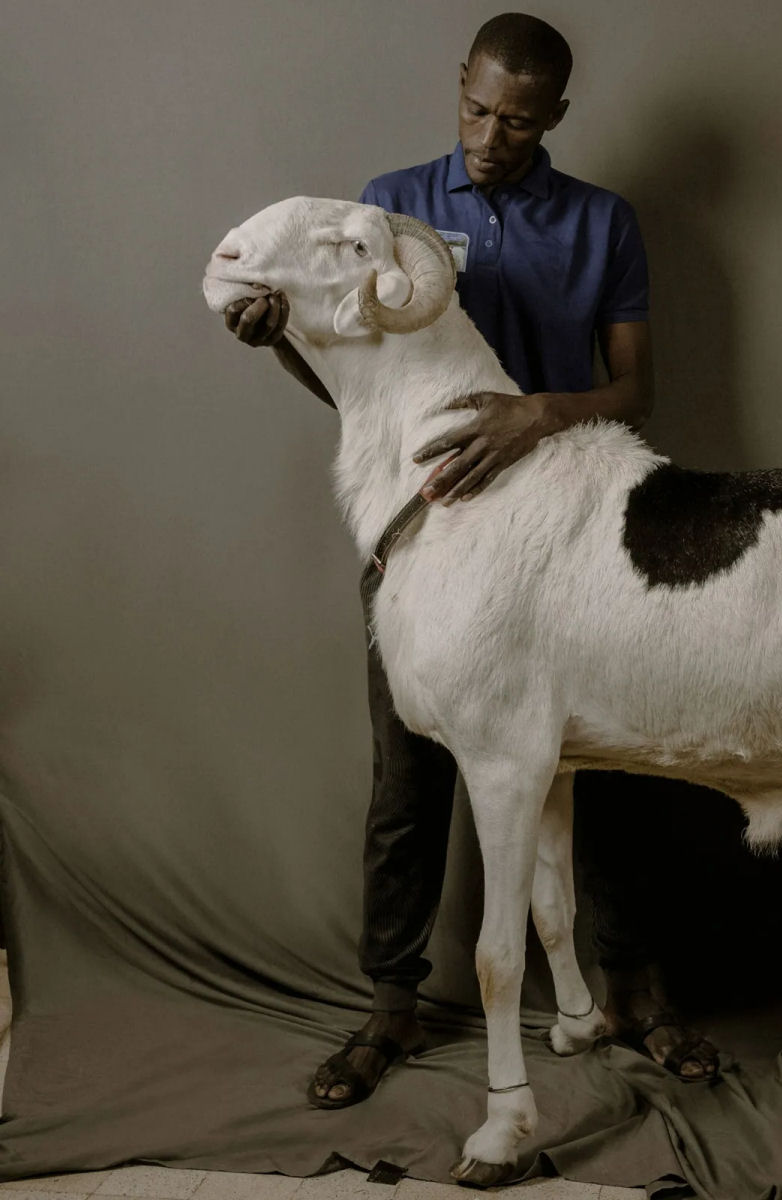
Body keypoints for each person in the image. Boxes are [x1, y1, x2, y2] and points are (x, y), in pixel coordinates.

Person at [226, 12, 720, 1107]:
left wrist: (537, 415)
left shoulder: (603, 224)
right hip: (427, 535)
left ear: (556, 117)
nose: (493, 136)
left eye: (520, 121)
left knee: (619, 766)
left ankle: (636, 994)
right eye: (479, 109)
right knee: (407, 780)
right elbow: (352, 383)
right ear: (461, 87)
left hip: (568, 540)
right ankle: (389, 1008)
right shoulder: (384, 207)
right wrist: (281, 347)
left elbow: (634, 391)